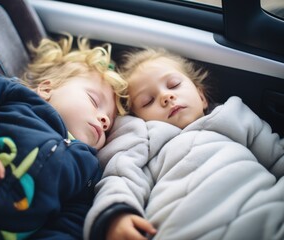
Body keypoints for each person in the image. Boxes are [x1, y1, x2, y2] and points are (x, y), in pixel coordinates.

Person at [0, 34, 128, 239]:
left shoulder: (88, 169)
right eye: (94, 100)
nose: (105, 121)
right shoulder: (19, 97)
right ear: (47, 89)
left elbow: (73, 220)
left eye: (109, 122)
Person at [84, 47, 284, 240]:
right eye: (147, 101)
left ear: (202, 96)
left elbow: (278, 159)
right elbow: (121, 178)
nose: (165, 96)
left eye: (173, 85)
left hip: (264, 212)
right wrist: (116, 215)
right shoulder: (144, 142)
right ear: (139, 118)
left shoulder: (234, 116)